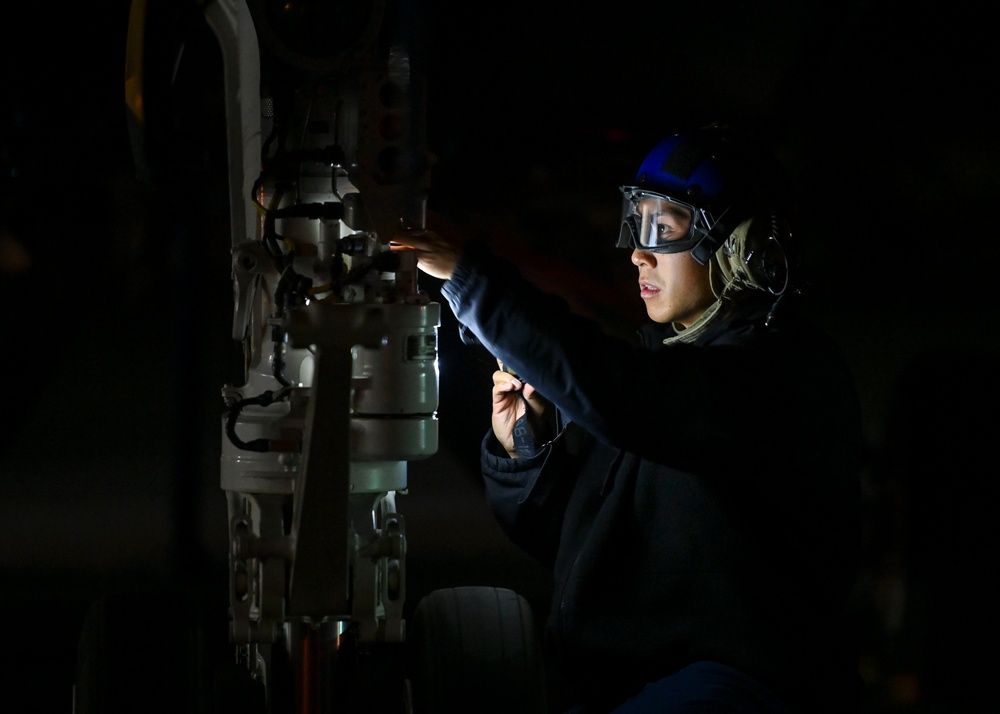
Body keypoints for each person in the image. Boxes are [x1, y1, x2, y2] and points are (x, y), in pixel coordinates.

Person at [393, 123, 864, 713]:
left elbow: (621, 394)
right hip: (637, 688)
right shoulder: (667, 378)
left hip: (733, 687)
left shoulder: (780, 373)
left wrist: (470, 278)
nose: (638, 252)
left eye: (663, 229)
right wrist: (526, 447)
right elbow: (578, 543)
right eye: (637, 223)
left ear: (742, 246)